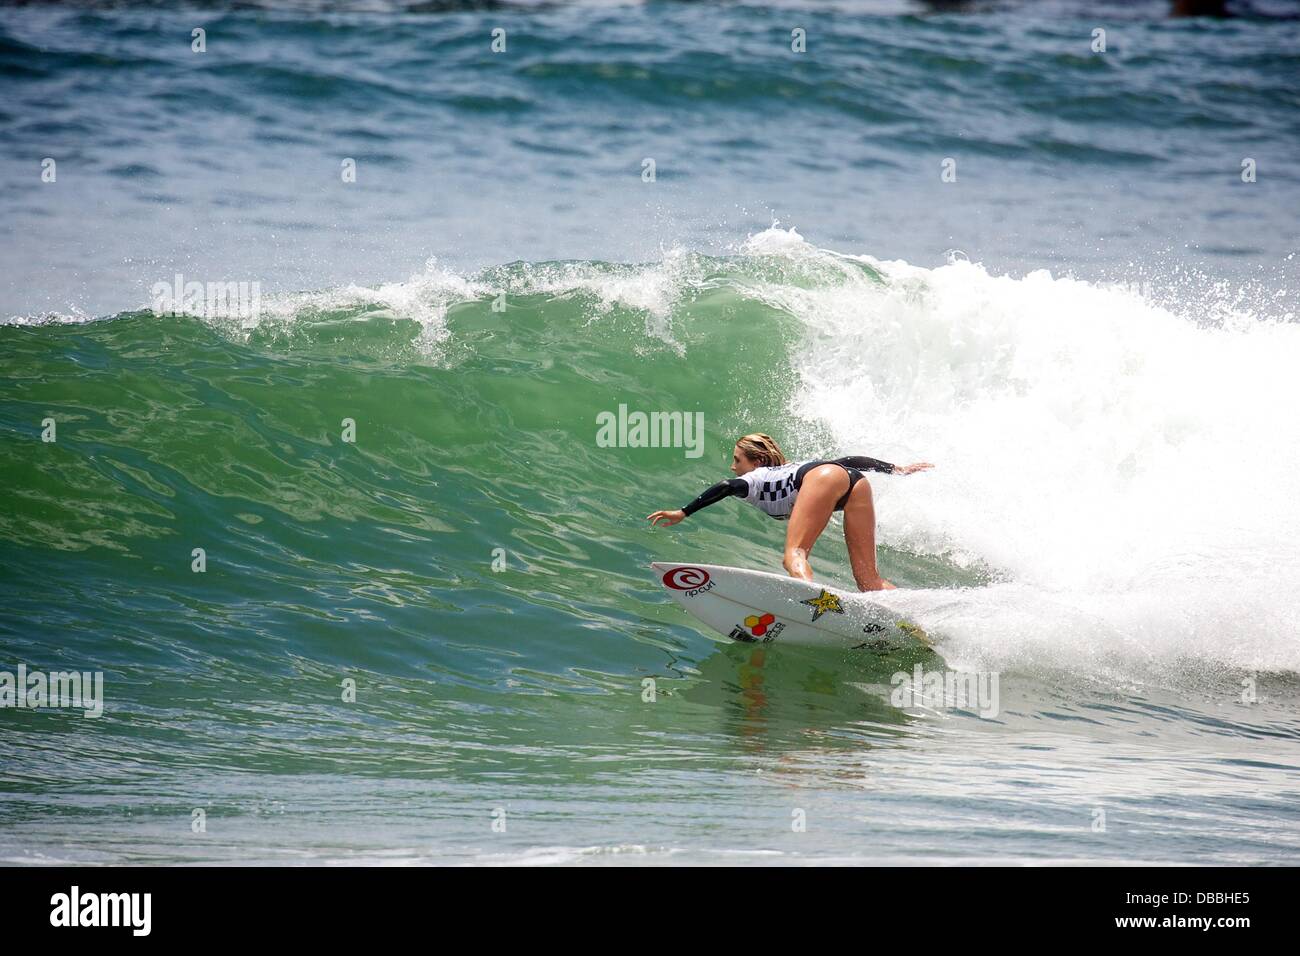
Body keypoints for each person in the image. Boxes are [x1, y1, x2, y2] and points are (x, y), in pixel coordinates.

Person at [647, 433, 932, 591]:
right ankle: (908, 618)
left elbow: (725, 486)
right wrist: (895, 469)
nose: (734, 467)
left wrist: (683, 512)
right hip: (856, 483)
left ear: (756, 461)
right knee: (868, 581)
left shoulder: (755, 479)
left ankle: (807, 597)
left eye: (737, 460)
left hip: (823, 478)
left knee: (794, 555)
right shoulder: (784, 470)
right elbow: (846, 462)